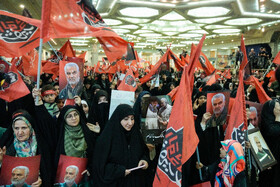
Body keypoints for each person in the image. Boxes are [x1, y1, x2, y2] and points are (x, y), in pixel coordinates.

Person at [92, 104, 149, 187]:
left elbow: (144, 151)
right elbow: (99, 166)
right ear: (118, 119)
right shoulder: (106, 139)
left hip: (135, 181)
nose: (130, 123)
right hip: (116, 182)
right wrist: (119, 171)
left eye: (132, 119)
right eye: (126, 119)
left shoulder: (136, 135)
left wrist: (144, 160)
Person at [259, 99, 280, 187]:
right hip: (269, 162)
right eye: (277, 107)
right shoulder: (266, 123)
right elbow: (273, 131)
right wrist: (278, 118)